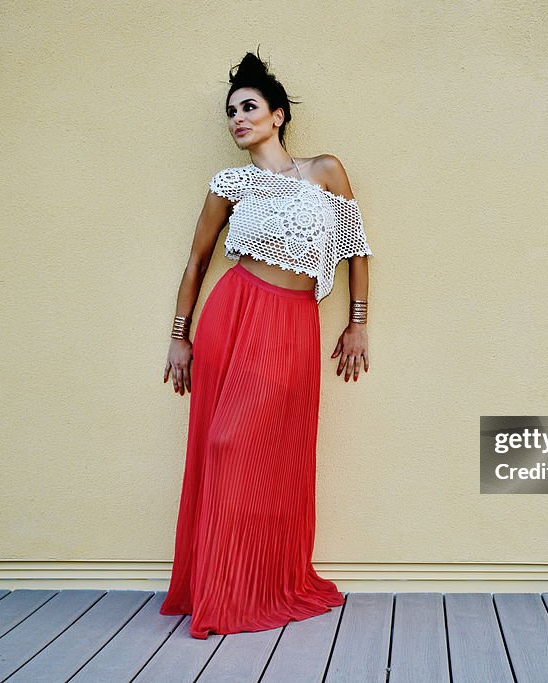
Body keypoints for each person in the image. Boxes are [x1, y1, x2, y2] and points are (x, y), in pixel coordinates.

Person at [158, 50, 372, 638]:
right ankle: (223, 590)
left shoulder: (326, 170)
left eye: (248, 107)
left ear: (277, 115)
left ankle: (267, 581)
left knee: (279, 457)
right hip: (236, 311)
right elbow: (197, 262)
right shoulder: (229, 184)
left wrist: (357, 322)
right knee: (225, 442)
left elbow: (354, 246)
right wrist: (180, 337)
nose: (237, 119)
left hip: (294, 324)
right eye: (231, 112)